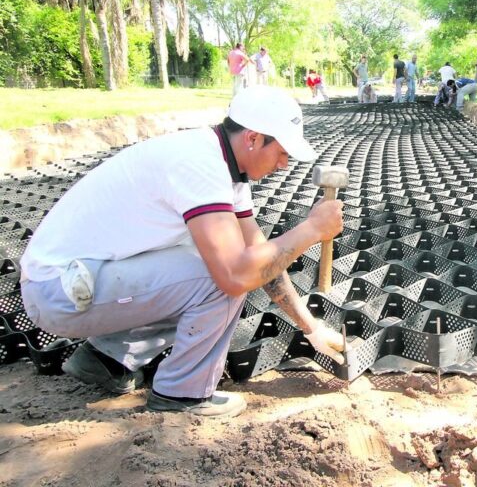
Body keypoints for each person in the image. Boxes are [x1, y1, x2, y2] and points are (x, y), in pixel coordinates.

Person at [19, 86, 345, 417]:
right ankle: (182, 394)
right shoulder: (199, 164)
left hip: (80, 280)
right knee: (217, 274)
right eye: (282, 150)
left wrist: (311, 328)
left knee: (219, 256)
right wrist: (312, 229)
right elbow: (235, 275)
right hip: (58, 292)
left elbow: (262, 255)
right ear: (253, 138)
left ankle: (107, 359)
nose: (284, 163)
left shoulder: (226, 168)